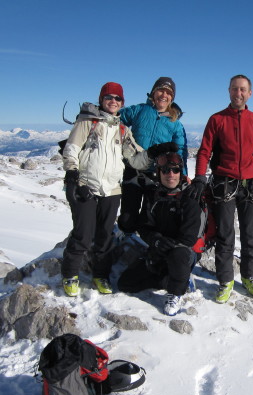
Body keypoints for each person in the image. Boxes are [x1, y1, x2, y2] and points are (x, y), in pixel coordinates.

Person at [188, 74, 253, 304]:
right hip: (223, 183)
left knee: (249, 234)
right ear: (229, 91)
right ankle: (226, 281)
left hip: (249, 184)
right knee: (225, 235)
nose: (239, 93)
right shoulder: (217, 119)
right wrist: (199, 177)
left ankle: (249, 276)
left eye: (243, 90)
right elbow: (205, 150)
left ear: (250, 93)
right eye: (235, 89)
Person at [61, 82, 150, 297]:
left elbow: (136, 158)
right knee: (83, 234)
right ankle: (70, 275)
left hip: (111, 189)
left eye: (117, 98)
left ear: (122, 103)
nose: (113, 101)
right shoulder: (87, 123)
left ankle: (100, 275)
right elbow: (71, 148)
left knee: (105, 236)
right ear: (101, 100)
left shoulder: (122, 129)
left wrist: (154, 155)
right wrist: (72, 172)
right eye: (109, 97)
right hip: (86, 186)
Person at [118, 149, 202, 316]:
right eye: (165, 170)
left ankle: (175, 293)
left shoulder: (189, 198)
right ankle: (173, 279)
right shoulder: (153, 196)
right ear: (159, 173)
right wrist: (156, 241)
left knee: (178, 255)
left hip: (183, 252)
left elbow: (189, 237)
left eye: (175, 170)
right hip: (158, 250)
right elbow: (144, 226)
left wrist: (166, 245)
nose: (170, 174)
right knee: (126, 283)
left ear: (180, 172)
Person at [118, 76, 188, 236]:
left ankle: (146, 244)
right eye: (160, 90)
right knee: (128, 215)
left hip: (158, 174)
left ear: (172, 97)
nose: (164, 95)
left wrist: (182, 175)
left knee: (150, 215)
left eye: (168, 92)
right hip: (133, 169)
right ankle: (125, 239)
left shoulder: (174, 122)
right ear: (153, 93)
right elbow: (115, 118)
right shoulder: (140, 110)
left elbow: (181, 150)